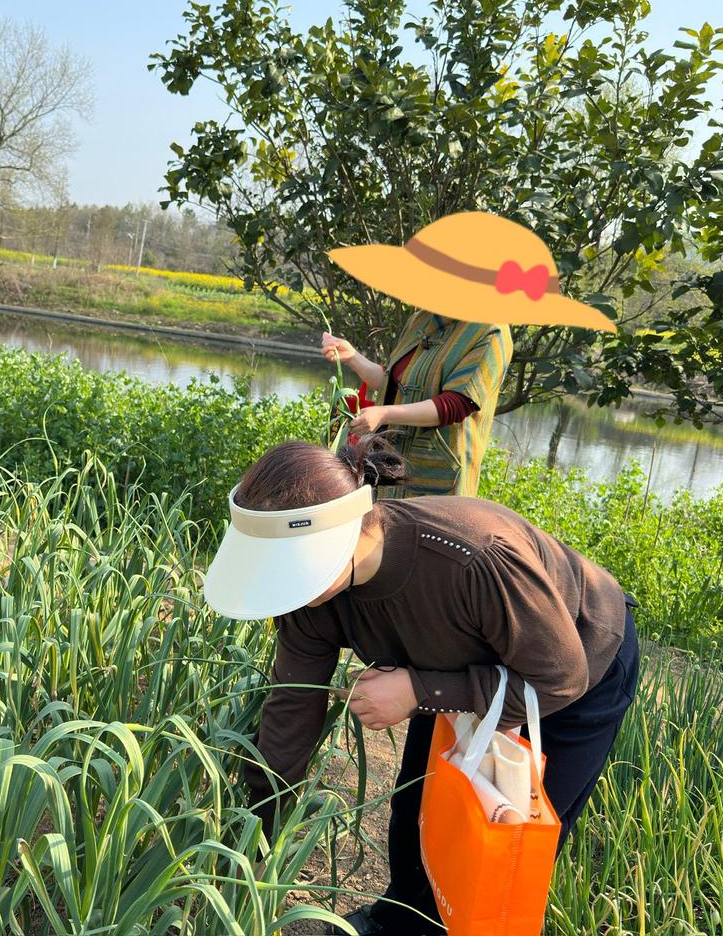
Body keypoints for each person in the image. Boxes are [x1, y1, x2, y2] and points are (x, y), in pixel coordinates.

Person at [203, 439, 640, 935]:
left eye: (283, 569)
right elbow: (293, 703)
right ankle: (396, 921)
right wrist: (257, 826)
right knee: (419, 809)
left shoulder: (471, 558)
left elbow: (561, 678)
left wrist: (419, 692)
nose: (278, 587)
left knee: (499, 835)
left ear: (338, 538)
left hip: (574, 663)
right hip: (454, 663)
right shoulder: (310, 599)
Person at [320, 309, 511, 498]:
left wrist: (384, 414)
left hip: (437, 475)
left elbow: (456, 404)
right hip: (392, 469)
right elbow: (392, 383)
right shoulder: (422, 319)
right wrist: (352, 357)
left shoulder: (491, 332)